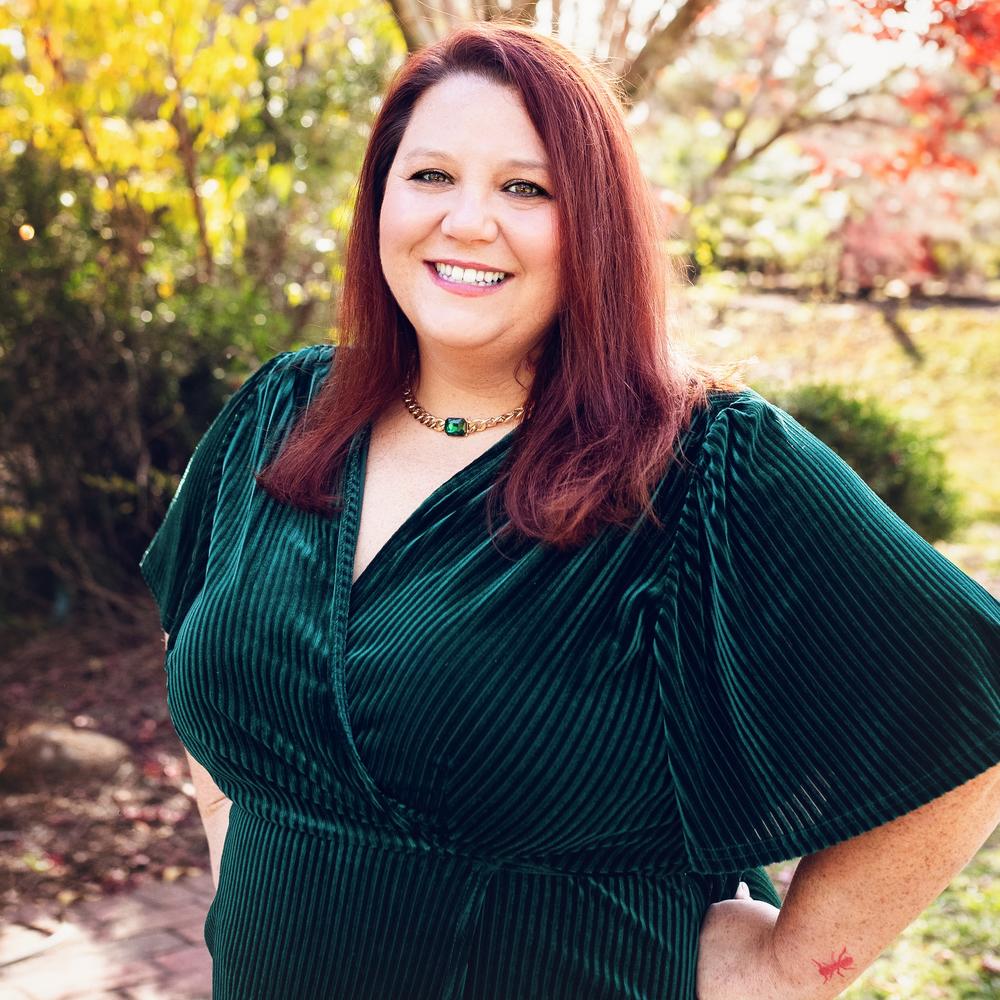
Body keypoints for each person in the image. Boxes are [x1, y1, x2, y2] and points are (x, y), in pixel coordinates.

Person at [139, 20, 1000, 1000]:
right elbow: (192, 638)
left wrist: (793, 968)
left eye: (524, 187)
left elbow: (973, 708)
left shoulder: (701, 466)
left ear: (592, 223)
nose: (466, 221)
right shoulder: (281, 412)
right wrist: (237, 850)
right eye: (428, 176)